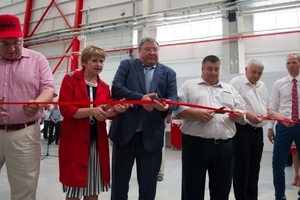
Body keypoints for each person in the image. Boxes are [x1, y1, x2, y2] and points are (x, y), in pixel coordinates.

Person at [109, 37, 178, 200]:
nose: (152, 52)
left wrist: (167, 107)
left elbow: (173, 98)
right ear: (138, 52)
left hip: (151, 137)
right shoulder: (127, 66)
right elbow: (117, 88)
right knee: (119, 183)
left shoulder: (169, 73)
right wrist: (141, 99)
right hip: (125, 134)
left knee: (148, 185)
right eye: (147, 49)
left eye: (155, 49)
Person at [58, 44, 131, 200]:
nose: (99, 65)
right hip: (75, 142)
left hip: (96, 142)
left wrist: (117, 109)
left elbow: (107, 111)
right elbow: (66, 110)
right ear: (84, 62)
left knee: (94, 186)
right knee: (74, 188)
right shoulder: (70, 79)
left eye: (102, 61)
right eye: (94, 61)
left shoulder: (104, 87)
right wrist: (92, 111)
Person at [173, 55, 246, 200]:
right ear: (202, 69)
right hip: (196, 145)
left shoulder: (229, 89)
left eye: (216, 69)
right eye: (209, 69)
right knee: (192, 189)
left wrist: (239, 116)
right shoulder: (189, 85)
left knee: (222, 189)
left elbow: (242, 110)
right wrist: (196, 114)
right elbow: (177, 110)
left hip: (225, 146)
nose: (213, 72)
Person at [0, 14, 56, 200]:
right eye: (5, 43)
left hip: (24, 133)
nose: (12, 48)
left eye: (16, 42)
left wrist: (38, 102)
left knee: (25, 188)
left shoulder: (37, 60)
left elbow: (48, 88)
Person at [229, 58, 270, 200]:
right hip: (243, 131)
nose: (256, 76)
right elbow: (232, 107)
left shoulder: (262, 86)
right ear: (246, 69)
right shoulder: (236, 83)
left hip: (258, 133)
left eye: (260, 73)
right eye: (254, 72)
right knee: (241, 170)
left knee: (254, 170)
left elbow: (267, 107)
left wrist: (280, 117)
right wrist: (249, 116)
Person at [268, 53, 300, 200]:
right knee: (277, 163)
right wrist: (270, 127)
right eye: (288, 63)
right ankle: (279, 196)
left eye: (294, 62)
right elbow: (272, 108)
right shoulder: (279, 84)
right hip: (282, 126)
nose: (291, 66)